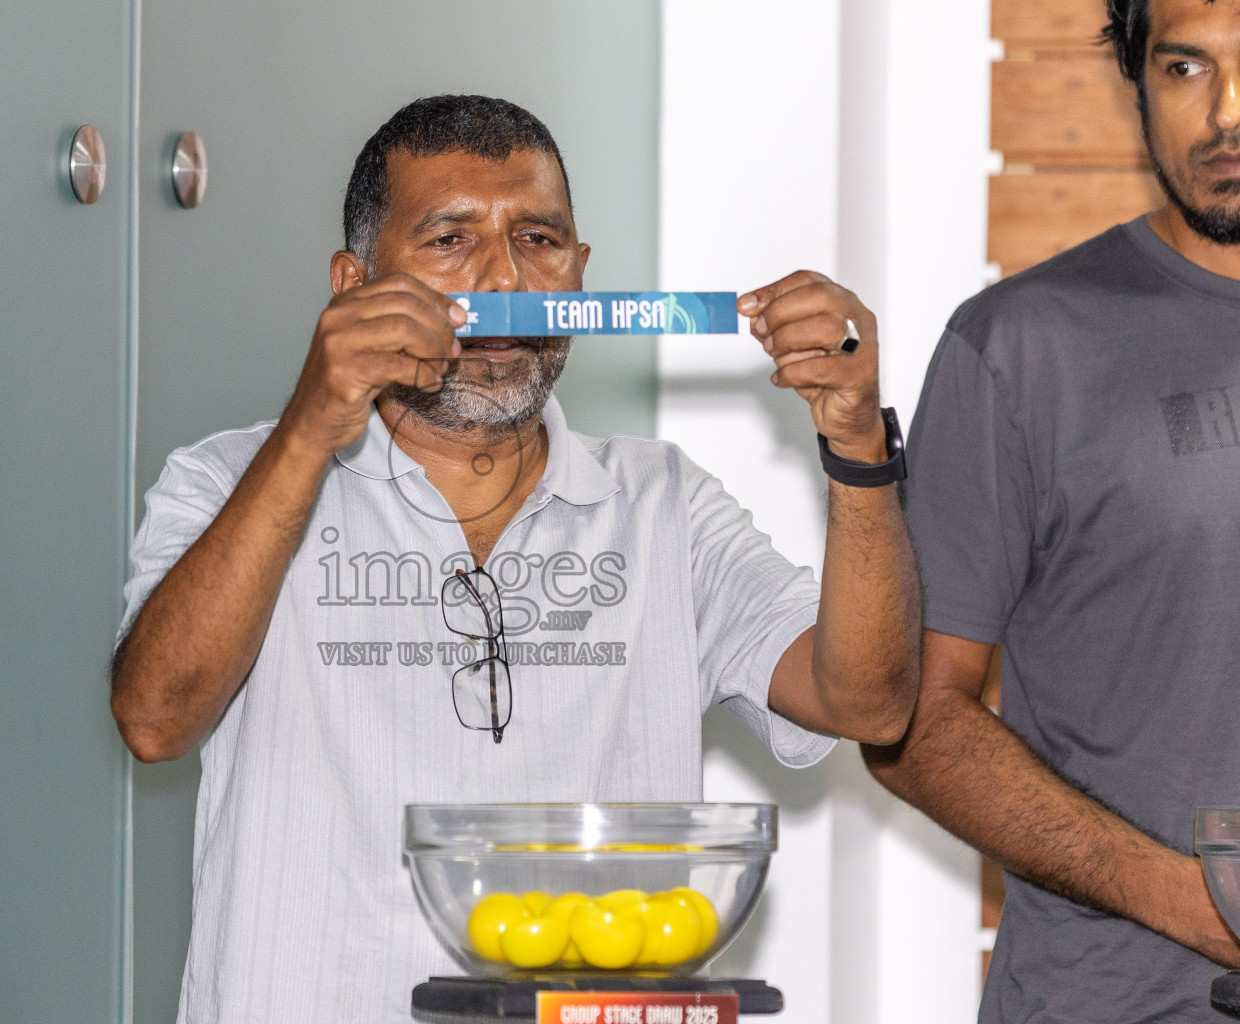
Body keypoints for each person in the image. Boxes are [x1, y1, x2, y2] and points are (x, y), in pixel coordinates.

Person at [111, 94, 919, 1023]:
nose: (504, 278)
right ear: (352, 284)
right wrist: (304, 434)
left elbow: (868, 701)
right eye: (450, 240)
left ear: (580, 272)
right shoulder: (226, 482)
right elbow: (154, 720)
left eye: (538, 239)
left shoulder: (666, 507)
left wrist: (859, 446)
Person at [863, 0, 1240, 1019]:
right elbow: (911, 725)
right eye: (1184, 69)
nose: (1225, 115)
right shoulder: (1021, 347)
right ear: (1136, 83)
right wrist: (1201, 905)